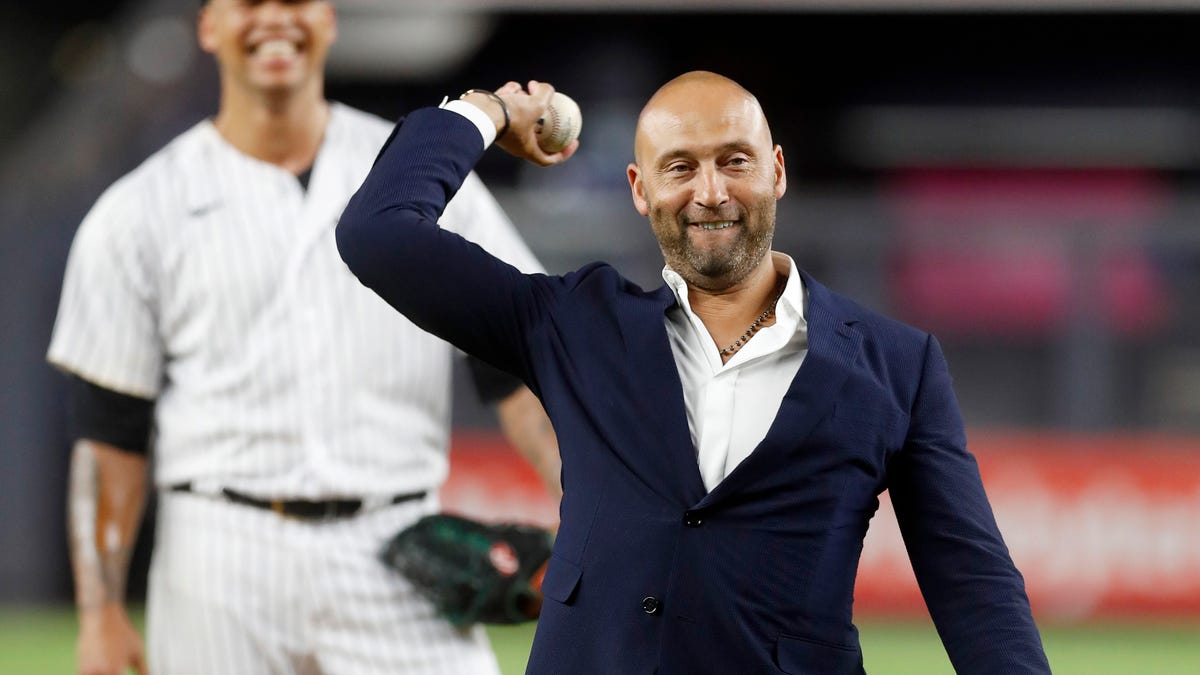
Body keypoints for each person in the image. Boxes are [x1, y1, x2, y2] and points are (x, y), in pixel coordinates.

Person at [335, 72, 1053, 674]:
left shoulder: (896, 364)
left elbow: (974, 586)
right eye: (680, 166)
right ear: (640, 188)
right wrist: (487, 111)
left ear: (776, 168)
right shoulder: (575, 324)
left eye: (734, 160)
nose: (709, 191)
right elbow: (378, 233)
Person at [47, 1, 561, 674]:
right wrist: (100, 611)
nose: (274, 19)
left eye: (294, 1)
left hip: (397, 542)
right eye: (249, 3)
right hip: (219, 554)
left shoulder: (422, 177)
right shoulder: (138, 209)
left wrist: (588, 509)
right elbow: (109, 432)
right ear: (208, 25)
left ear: (328, 18)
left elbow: (515, 366)